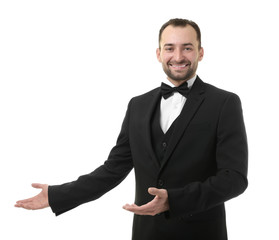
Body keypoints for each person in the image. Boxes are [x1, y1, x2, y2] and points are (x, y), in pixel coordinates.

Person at [15, 18, 248, 240]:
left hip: (202, 234)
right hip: (146, 234)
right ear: (158, 54)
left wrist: (174, 201)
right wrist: (57, 195)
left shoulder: (224, 103)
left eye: (187, 48)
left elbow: (234, 178)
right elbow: (113, 170)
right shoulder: (138, 105)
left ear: (200, 52)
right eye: (169, 48)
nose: (178, 56)